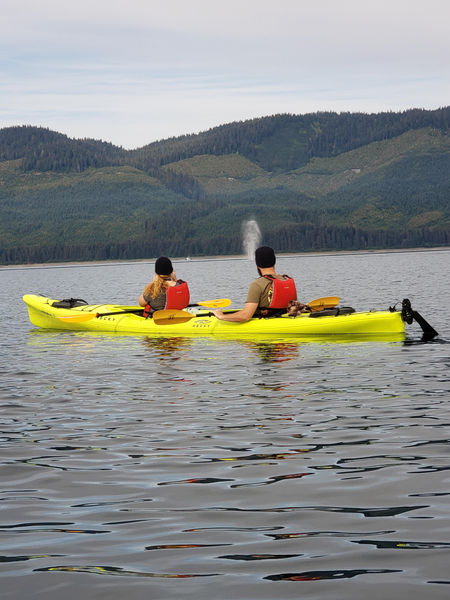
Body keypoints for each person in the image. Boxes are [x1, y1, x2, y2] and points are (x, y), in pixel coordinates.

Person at [212, 246, 302, 323]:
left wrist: (221, 316)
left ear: (257, 264)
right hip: (285, 318)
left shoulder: (257, 284)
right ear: (274, 261)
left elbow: (245, 316)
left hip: (267, 324)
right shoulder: (287, 280)